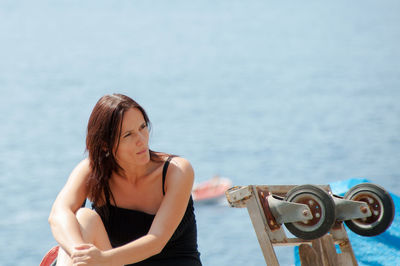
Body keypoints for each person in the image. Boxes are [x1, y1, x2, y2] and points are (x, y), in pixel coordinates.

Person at [48, 93, 202, 266]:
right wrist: (79, 252)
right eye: (128, 135)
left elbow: (156, 242)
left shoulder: (177, 171)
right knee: (84, 218)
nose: (141, 140)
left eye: (143, 127)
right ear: (106, 144)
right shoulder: (93, 170)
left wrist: (103, 259)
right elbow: (58, 214)